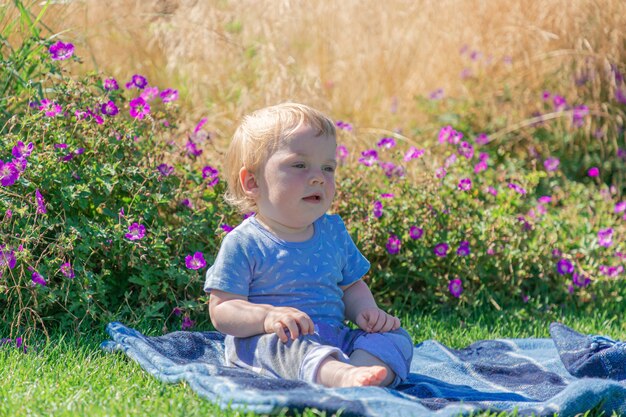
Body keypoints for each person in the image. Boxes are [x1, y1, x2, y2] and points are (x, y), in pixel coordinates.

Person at [204, 102, 413, 388]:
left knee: (394, 337)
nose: (318, 177)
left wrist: (367, 312)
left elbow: (350, 286)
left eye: (328, 167)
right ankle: (341, 376)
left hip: (334, 338)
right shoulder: (245, 242)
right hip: (278, 340)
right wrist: (267, 317)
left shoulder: (333, 231)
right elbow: (223, 308)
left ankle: (362, 371)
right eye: (299, 165)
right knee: (277, 349)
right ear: (252, 182)